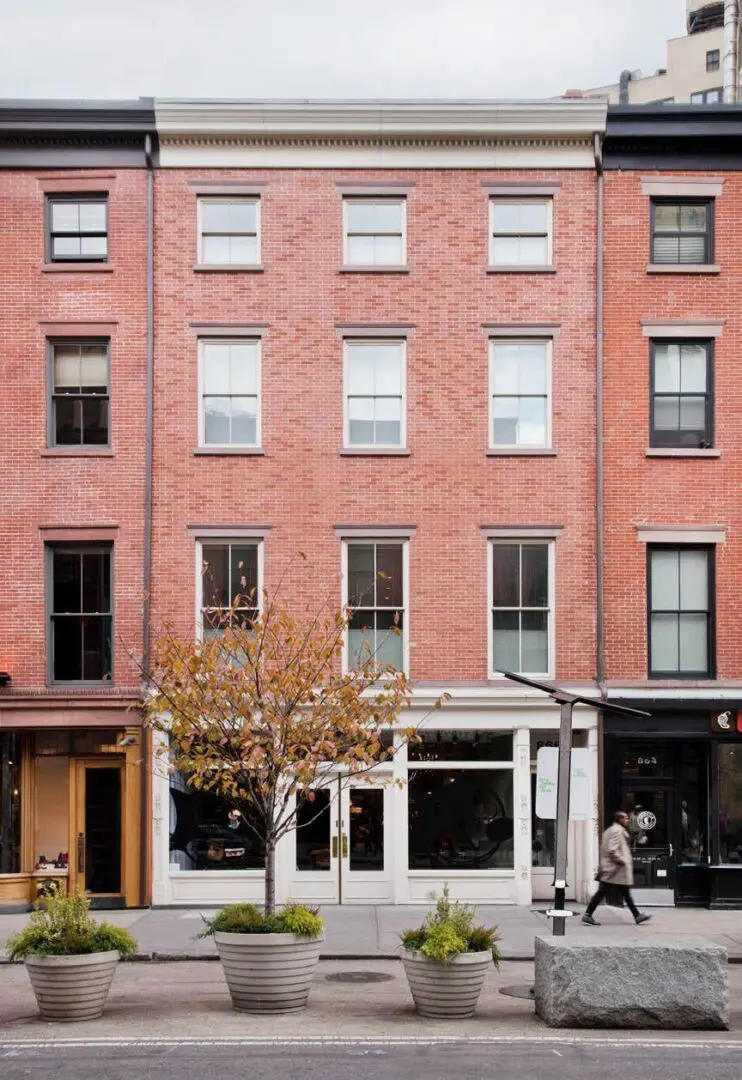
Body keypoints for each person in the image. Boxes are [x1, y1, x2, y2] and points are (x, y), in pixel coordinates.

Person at [582, 810, 652, 926]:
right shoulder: (617, 831)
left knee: (624, 894)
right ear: (619, 820)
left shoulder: (611, 830)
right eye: (625, 818)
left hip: (614, 870)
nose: (628, 820)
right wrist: (622, 860)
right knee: (604, 893)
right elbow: (612, 850)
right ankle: (587, 915)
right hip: (614, 870)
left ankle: (637, 916)